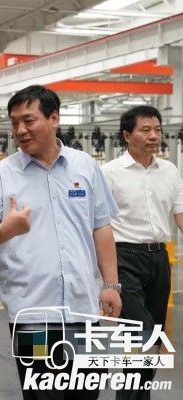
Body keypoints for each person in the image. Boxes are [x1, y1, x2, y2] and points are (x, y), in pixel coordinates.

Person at [0, 85, 121, 400]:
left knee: (85, 394)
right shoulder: (0, 175)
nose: (20, 130)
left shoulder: (85, 166)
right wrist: (7, 229)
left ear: (54, 119)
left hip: (83, 310)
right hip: (32, 316)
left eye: (29, 120)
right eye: (14, 123)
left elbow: (101, 227)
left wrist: (111, 285)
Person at [101, 105, 183, 400]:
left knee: (154, 337)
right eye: (145, 130)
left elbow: (180, 214)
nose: (154, 136)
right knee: (141, 331)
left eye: (157, 130)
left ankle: (138, 396)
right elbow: (99, 224)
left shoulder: (170, 171)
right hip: (123, 257)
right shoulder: (109, 173)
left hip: (159, 258)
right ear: (127, 135)